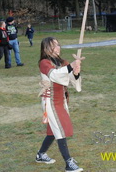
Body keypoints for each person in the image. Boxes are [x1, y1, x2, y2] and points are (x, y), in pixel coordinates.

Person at [36, 37, 84, 172]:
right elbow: (55, 75)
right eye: (54, 45)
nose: (58, 47)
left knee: (53, 130)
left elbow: (71, 80)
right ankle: (69, 163)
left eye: (58, 44)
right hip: (50, 101)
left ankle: (40, 155)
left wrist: (76, 71)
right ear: (47, 48)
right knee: (60, 129)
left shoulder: (63, 62)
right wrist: (71, 66)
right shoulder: (44, 63)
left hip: (61, 100)